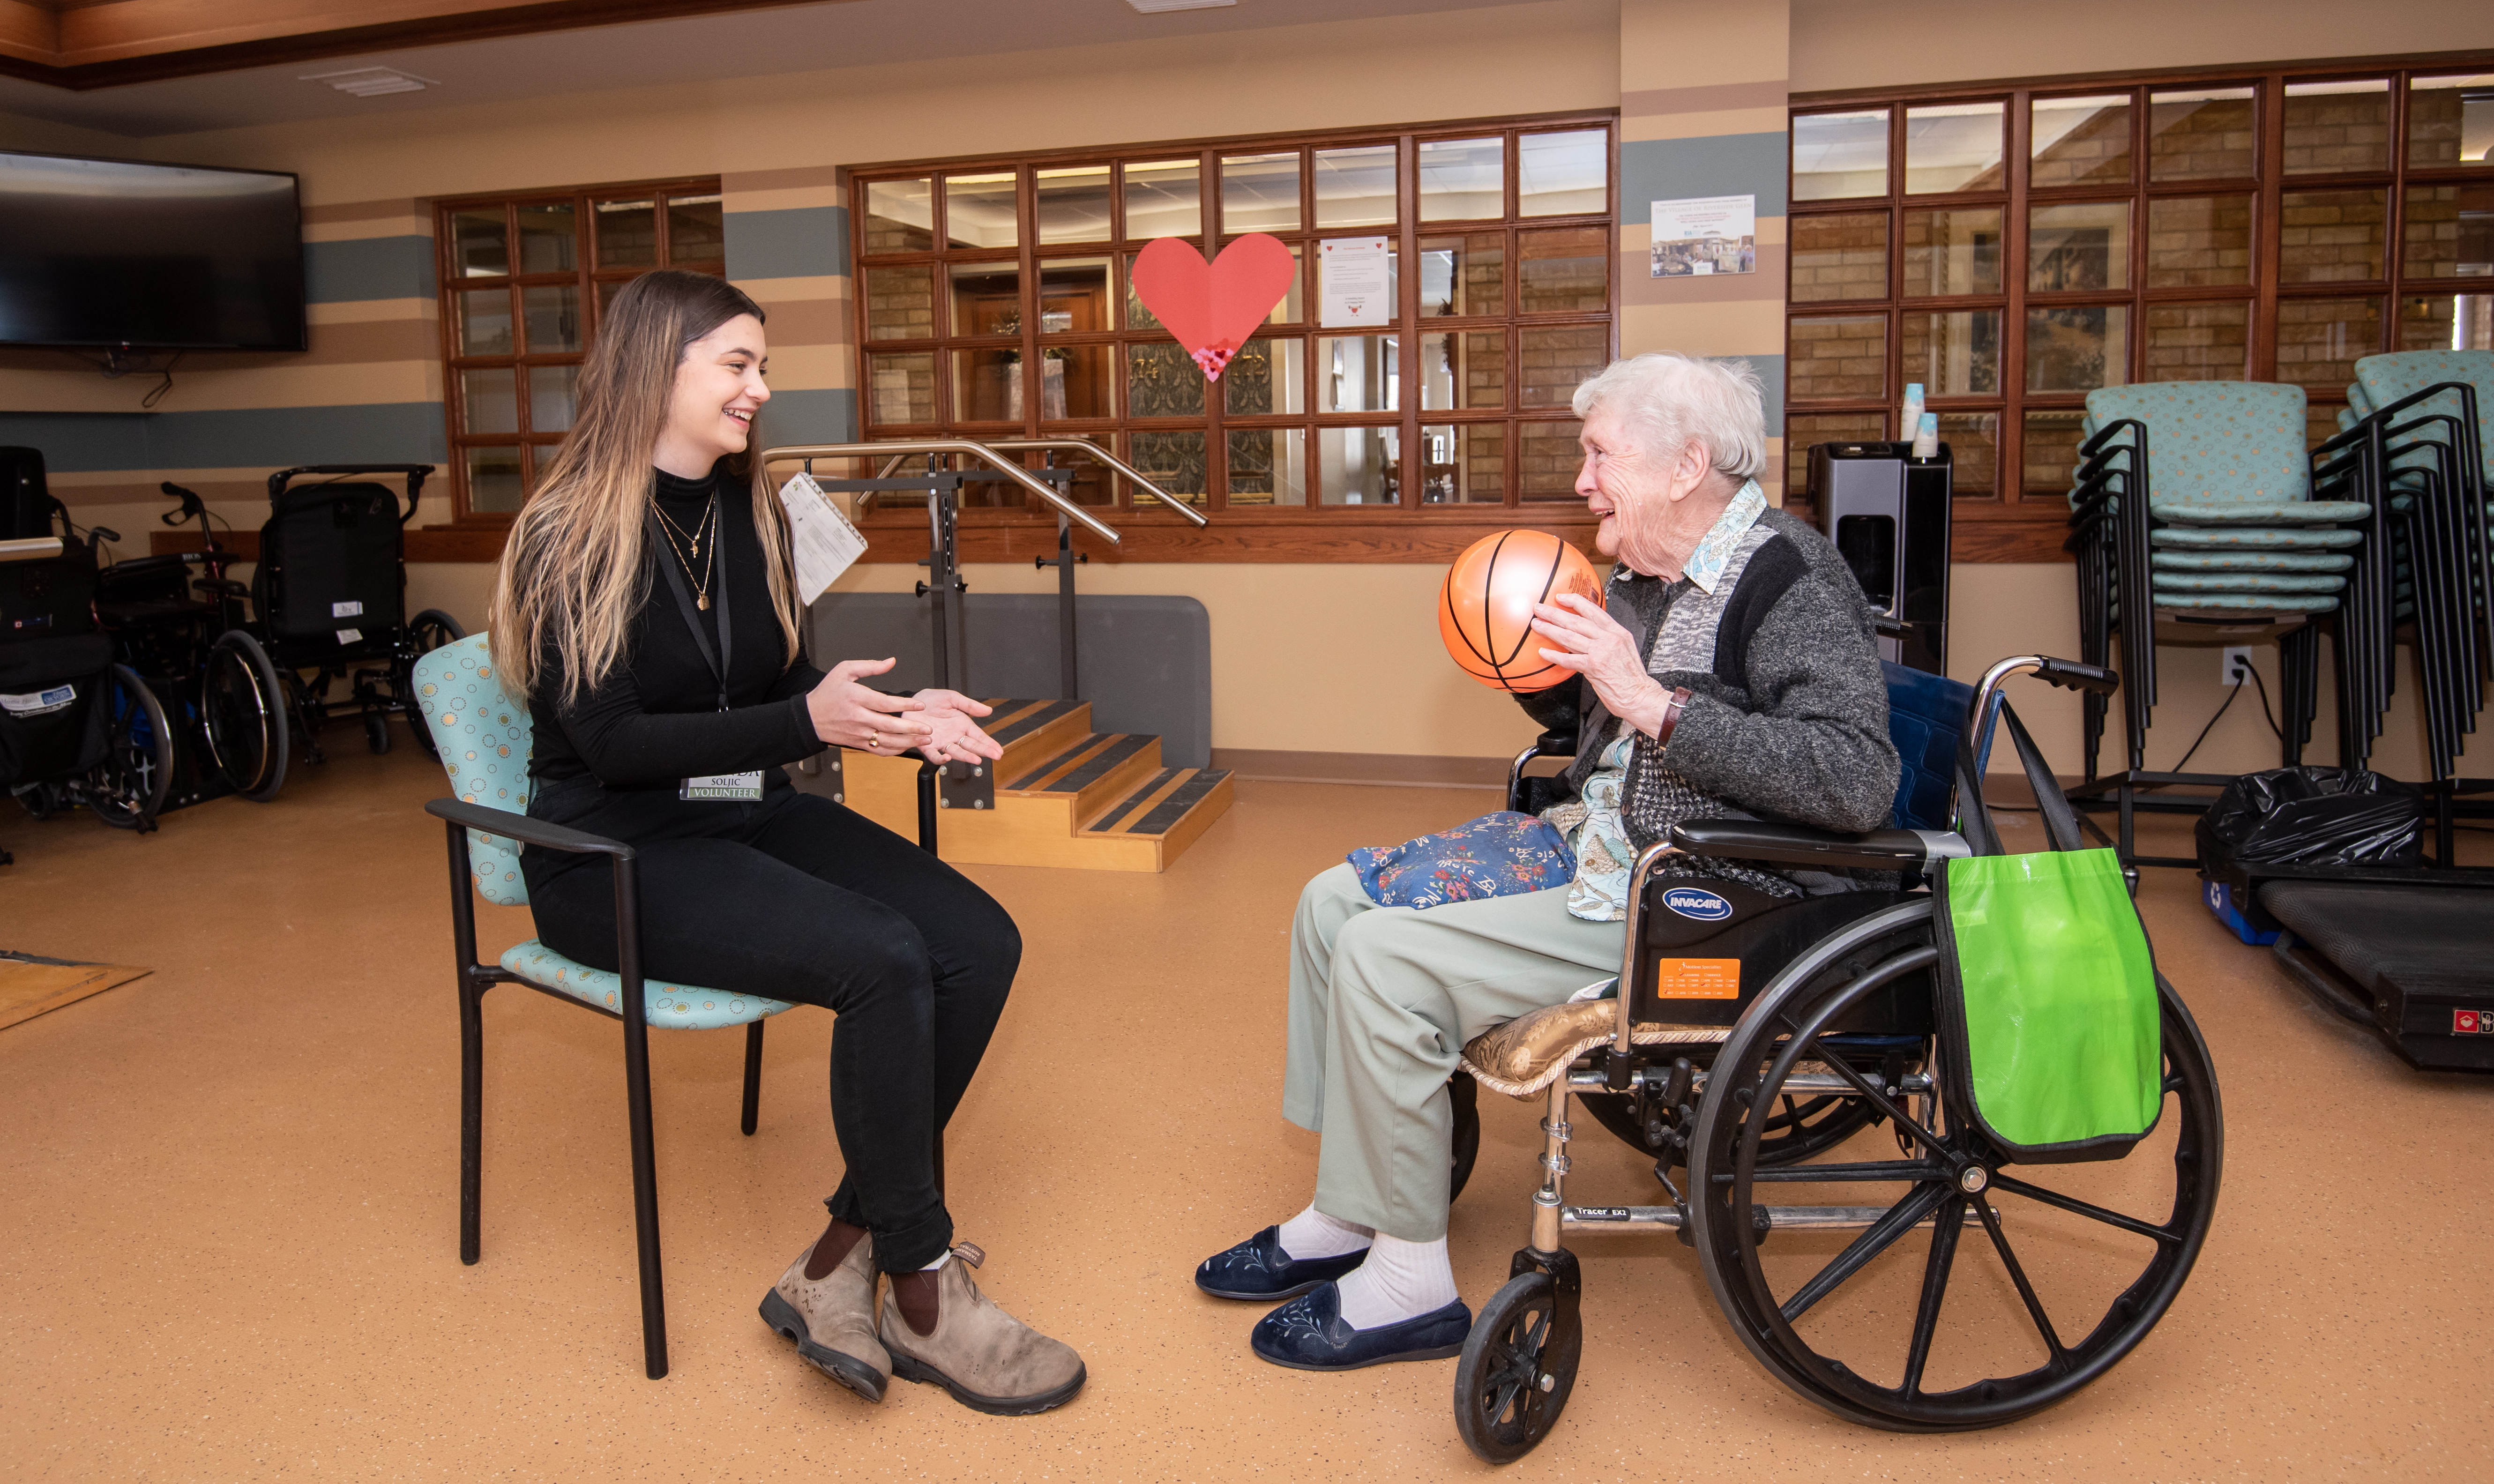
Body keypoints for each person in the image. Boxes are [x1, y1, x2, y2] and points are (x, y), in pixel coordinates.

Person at [1194, 351, 1901, 1372]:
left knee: (1385, 958)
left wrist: (1653, 701)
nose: (1582, 480)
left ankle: (1409, 1284)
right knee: (1328, 902)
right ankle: (1349, 1210)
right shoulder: (1646, 574)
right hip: (1593, 841)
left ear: (1684, 464)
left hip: (1697, 892)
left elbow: (1853, 778)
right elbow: (1599, 728)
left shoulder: (1789, 575)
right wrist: (1543, 674)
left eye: (1599, 453)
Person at [490, 268, 1084, 1416]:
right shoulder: (566, 533)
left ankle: (832, 1263)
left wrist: (897, 721)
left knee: (978, 940)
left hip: (735, 808)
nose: (762, 388)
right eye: (740, 364)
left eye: (763, 365)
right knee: (881, 955)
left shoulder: (744, 507)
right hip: (606, 851)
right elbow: (610, 743)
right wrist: (806, 722)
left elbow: (778, 686)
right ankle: (918, 1281)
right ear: (656, 367)